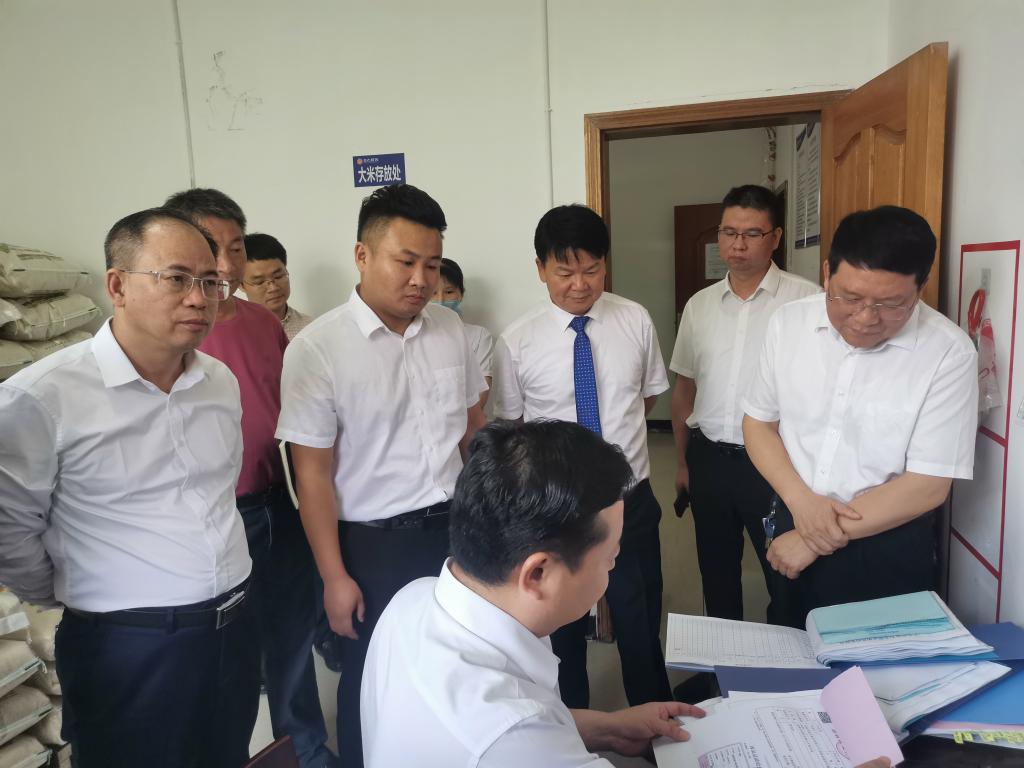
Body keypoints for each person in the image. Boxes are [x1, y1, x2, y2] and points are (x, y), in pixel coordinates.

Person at [360, 420, 896, 768]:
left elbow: (523, 719)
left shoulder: (415, 601)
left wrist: (606, 727)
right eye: (610, 556)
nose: (616, 566)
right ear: (538, 574)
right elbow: (515, 734)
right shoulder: (514, 745)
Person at [0, 208, 253, 767]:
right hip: (127, 651)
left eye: (210, 281)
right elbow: (10, 534)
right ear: (117, 285)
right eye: (176, 278)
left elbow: (219, 493)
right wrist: (90, 591)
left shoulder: (219, 382)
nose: (199, 298)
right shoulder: (41, 398)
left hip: (231, 632)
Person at [276, 183, 487, 768]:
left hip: (456, 531)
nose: (421, 280)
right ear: (362, 256)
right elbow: (312, 476)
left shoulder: (451, 332)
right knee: (373, 677)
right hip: (373, 546)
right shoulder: (317, 349)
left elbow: (473, 430)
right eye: (406, 261)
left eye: (432, 265)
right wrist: (333, 576)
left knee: (460, 663)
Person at [742, 205, 979, 627]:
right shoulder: (788, 323)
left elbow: (928, 485)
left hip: (885, 541)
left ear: (920, 288)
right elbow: (759, 423)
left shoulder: (948, 352)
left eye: (892, 304)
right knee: (789, 642)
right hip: (793, 515)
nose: (866, 318)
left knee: (880, 662)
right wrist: (802, 505)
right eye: (850, 298)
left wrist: (815, 539)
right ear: (827, 273)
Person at [164, 189, 335, 768]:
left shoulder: (263, 324)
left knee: (292, 640)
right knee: (227, 656)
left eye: (235, 247)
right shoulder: (175, 334)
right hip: (216, 516)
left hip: (279, 501)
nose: (225, 262)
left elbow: (295, 410)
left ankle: (305, 753)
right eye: (211, 247)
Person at [492, 204, 671, 708]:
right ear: (540, 269)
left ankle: (653, 720)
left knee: (639, 619)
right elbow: (513, 425)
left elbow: (644, 399)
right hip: (557, 510)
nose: (579, 284)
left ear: (605, 264)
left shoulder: (634, 319)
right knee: (561, 631)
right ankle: (570, 727)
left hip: (629, 500)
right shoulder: (518, 340)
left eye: (591, 270)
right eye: (565, 272)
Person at [669, 185, 820, 624]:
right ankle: (724, 659)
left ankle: (789, 659)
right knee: (716, 573)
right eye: (728, 232)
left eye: (752, 234)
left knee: (785, 575)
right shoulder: (699, 306)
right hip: (710, 459)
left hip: (776, 464)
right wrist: (683, 462)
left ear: (775, 238)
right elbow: (685, 390)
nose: (738, 245)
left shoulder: (807, 302)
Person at [432, 257, 494, 408]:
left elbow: (481, 393)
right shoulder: (409, 336)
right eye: (433, 292)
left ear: (461, 294)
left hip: (467, 420)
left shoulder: (479, 337)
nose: (440, 300)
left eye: (449, 292)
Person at [242, 232, 315, 340]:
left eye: (278, 276)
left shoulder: (311, 328)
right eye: (260, 282)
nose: (273, 288)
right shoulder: (236, 332)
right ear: (241, 285)